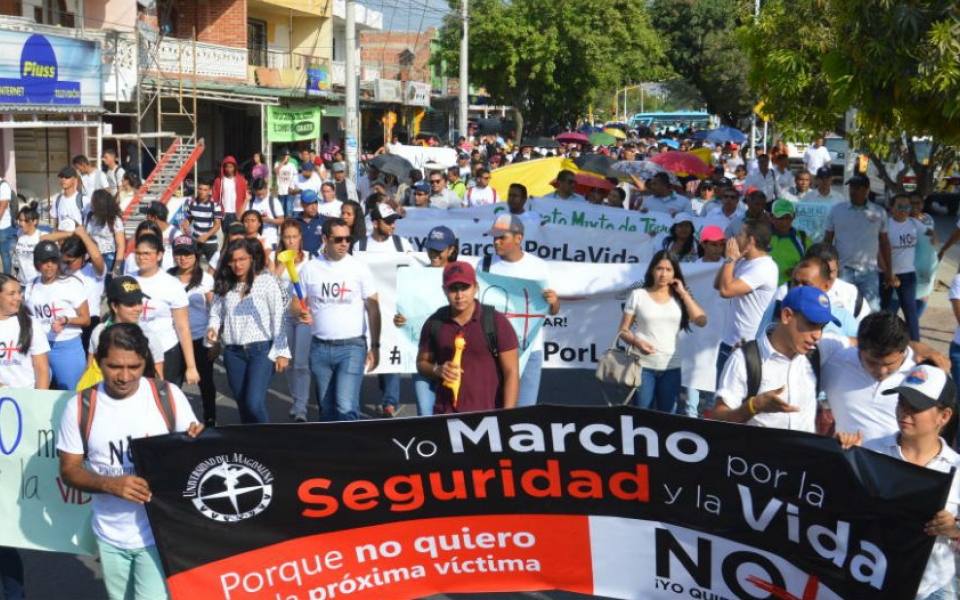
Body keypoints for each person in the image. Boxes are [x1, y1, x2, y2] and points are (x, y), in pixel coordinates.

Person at [57, 323, 204, 600]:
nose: (124, 377)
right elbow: (69, 471)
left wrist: (201, 443)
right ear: (99, 362)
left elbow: (195, 461)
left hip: (159, 536)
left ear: (144, 362)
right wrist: (109, 484)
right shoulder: (79, 407)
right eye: (114, 367)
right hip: (109, 535)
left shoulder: (168, 396)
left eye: (134, 367)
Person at [837, 364, 960, 600]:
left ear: (944, 417)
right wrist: (842, 462)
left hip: (931, 589)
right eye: (901, 402)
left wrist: (953, 530)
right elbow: (839, 510)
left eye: (917, 406)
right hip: (870, 580)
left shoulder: (957, 469)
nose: (905, 412)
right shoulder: (870, 453)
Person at [714, 286, 839, 431]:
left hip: (805, 453)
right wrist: (753, 406)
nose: (817, 335)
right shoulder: (744, 359)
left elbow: (860, 345)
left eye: (822, 327)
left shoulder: (818, 354)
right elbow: (718, 418)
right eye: (811, 324)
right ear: (786, 316)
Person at [295, 217, 381, 421]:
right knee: (326, 409)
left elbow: (374, 309)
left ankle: (351, 453)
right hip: (319, 348)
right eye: (338, 239)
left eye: (348, 239)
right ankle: (331, 451)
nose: (344, 243)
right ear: (325, 239)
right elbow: (295, 303)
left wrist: (376, 346)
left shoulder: (359, 269)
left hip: (351, 347)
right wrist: (300, 311)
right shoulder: (309, 269)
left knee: (346, 407)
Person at [0, 269, 48, 600]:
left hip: (25, 410)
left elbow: (42, 369)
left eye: (19, 292)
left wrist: (39, 407)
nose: (19, 297)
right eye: (12, 293)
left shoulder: (29, 325)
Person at [416, 261, 519, 413]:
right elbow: (422, 364)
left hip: (487, 415)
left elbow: (511, 372)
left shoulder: (496, 322)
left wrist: (507, 416)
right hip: (445, 414)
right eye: (453, 289)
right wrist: (437, 369)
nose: (459, 295)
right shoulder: (434, 323)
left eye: (465, 287)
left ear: (476, 288)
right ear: (444, 290)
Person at [481, 214, 561, 407]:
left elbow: (552, 311)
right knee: (493, 408)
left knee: (524, 412)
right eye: (494, 237)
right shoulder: (484, 264)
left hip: (529, 350)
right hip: (494, 349)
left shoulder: (538, 267)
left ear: (519, 238)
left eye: (502, 237)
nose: (496, 242)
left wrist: (554, 302)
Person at [207, 238, 289, 424]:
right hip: (233, 352)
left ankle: (266, 445)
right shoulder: (225, 283)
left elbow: (278, 317)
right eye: (233, 260)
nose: (237, 264)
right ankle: (250, 449)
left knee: (254, 403)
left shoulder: (266, 280)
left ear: (251, 258)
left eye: (242, 259)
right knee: (243, 405)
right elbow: (215, 314)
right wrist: (212, 330)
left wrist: (282, 351)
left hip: (261, 351)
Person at [617, 250, 707, 412]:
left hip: (671, 368)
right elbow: (623, 330)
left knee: (668, 419)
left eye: (668, 269)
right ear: (652, 270)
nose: (663, 274)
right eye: (659, 268)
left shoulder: (680, 297)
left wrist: (683, 293)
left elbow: (701, 321)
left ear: (675, 273)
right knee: (641, 417)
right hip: (642, 366)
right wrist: (637, 342)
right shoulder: (638, 295)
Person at [355, 203, 411, 417]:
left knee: (390, 352)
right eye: (388, 222)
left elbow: (409, 276)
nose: (393, 225)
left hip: (391, 311)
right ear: (375, 223)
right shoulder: (359, 246)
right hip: (363, 311)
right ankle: (351, 402)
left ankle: (390, 402)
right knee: (361, 354)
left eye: (394, 221)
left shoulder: (401, 244)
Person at [396, 225, 458, 416]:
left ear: (451, 250)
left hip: (452, 353)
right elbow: (405, 309)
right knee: (424, 410)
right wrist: (400, 320)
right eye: (431, 249)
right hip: (423, 353)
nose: (434, 254)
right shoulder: (416, 276)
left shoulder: (458, 276)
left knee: (452, 410)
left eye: (439, 250)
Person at [131, 234, 199, 387]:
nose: (141, 257)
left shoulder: (171, 284)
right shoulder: (127, 280)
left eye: (147, 253)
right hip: (134, 351)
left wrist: (191, 366)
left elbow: (183, 327)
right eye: (138, 253)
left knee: (165, 400)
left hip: (166, 350)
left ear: (159, 254)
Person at [714, 219, 779, 379]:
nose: (735, 238)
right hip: (728, 343)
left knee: (738, 402)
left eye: (740, 234)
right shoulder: (742, 261)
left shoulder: (764, 267)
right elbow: (717, 284)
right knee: (721, 400)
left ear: (751, 241)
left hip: (747, 348)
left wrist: (730, 259)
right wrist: (731, 260)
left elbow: (726, 291)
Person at [24, 240, 89, 390]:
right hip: (40, 348)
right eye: (44, 261)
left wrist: (66, 320)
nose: (49, 265)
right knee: (41, 393)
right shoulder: (31, 285)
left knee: (70, 394)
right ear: (36, 263)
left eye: (53, 260)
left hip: (67, 348)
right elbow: (29, 317)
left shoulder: (72, 283)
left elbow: (85, 319)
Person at [823, 175, 894, 311]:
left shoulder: (879, 212)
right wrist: (827, 267)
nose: (853, 191)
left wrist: (889, 271)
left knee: (872, 310)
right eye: (851, 188)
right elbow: (827, 241)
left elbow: (884, 243)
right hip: (843, 270)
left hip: (869, 271)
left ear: (867, 190)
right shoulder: (837, 210)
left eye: (858, 188)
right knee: (840, 309)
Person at [169, 236, 216, 426]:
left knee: (205, 382)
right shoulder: (167, 278)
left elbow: (214, 310)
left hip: (199, 338)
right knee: (174, 384)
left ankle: (210, 419)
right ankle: (175, 422)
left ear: (196, 256)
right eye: (179, 254)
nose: (183, 258)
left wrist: (215, 341)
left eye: (188, 254)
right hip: (174, 339)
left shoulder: (206, 279)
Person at [272, 220, 312, 422]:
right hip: (284, 316)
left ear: (300, 238)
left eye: (294, 237)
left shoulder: (310, 259)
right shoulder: (276, 258)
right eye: (287, 237)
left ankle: (302, 407)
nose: (291, 241)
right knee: (288, 362)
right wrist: (281, 262)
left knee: (301, 363)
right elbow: (270, 283)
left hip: (303, 316)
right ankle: (296, 400)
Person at [87, 276, 165, 379]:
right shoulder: (98, 332)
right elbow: (90, 368)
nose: (138, 308)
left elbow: (159, 376)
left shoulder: (148, 336)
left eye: (139, 302)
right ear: (114, 306)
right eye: (131, 304)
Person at [883, 193, 932, 341]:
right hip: (888, 274)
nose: (903, 210)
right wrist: (889, 274)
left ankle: (915, 344)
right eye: (899, 206)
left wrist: (932, 233)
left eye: (906, 206)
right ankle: (885, 342)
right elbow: (880, 251)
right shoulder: (886, 225)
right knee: (886, 312)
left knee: (910, 312)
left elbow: (929, 231)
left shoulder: (913, 223)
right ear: (891, 208)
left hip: (908, 275)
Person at [56, 228, 107, 352]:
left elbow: (96, 256)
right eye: (63, 261)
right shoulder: (64, 268)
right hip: (69, 322)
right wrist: (70, 233)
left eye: (69, 261)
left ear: (83, 256)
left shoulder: (93, 271)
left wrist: (83, 235)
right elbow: (41, 240)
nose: (65, 264)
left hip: (90, 323)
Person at [81, 189, 125, 278]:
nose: (90, 203)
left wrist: (117, 267)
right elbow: (85, 236)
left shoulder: (114, 220)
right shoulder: (89, 217)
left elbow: (121, 245)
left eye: (93, 200)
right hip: (91, 257)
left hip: (109, 258)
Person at [768, 199, 810, 285]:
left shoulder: (802, 239)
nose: (784, 222)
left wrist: (798, 271)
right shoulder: (761, 237)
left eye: (787, 218)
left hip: (790, 293)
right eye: (780, 218)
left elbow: (812, 265)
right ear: (771, 217)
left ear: (793, 217)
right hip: (762, 293)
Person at [181, 178, 223, 263]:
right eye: (200, 189)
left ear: (209, 191)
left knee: (214, 267)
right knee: (193, 266)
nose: (202, 192)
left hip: (210, 242)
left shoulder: (215, 205)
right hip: (196, 241)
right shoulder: (192, 203)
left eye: (205, 190)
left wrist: (206, 236)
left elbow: (217, 225)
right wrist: (186, 224)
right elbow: (190, 218)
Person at [248, 178, 284, 250]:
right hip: (254, 240)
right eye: (258, 194)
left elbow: (281, 220)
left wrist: (269, 220)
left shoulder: (274, 201)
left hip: (271, 240)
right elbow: (241, 217)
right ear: (254, 191)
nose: (260, 196)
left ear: (266, 189)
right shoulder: (251, 202)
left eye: (263, 194)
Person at [212, 156, 248, 229]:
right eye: (227, 167)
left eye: (231, 167)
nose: (229, 169)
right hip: (224, 214)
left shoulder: (241, 180)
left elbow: (245, 197)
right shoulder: (218, 181)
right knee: (226, 236)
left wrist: (242, 212)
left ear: (235, 167)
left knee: (237, 236)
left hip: (237, 213)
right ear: (224, 168)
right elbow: (215, 197)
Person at [50, 166, 86, 232]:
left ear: (75, 180)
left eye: (67, 177)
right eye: (61, 177)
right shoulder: (57, 199)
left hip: (77, 240)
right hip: (61, 239)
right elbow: (53, 217)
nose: (63, 179)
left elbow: (89, 221)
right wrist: (54, 231)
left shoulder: (83, 199)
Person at [13, 203, 41, 285]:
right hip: (22, 283)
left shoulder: (40, 236)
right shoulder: (19, 233)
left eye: (26, 221)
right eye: (20, 220)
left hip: (36, 283)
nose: (22, 223)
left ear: (35, 221)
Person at [274, 148, 300, 217]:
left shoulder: (292, 165)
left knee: (289, 210)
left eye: (288, 156)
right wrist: (283, 161)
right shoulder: (277, 163)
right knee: (281, 210)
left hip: (289, 191)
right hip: (281, 191)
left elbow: (296, 176)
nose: (287, 157)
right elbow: (276, 171)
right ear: (282, 156)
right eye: (285, 155)